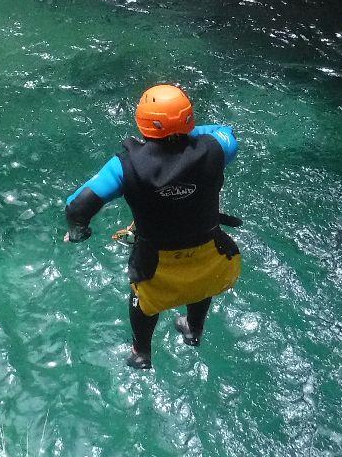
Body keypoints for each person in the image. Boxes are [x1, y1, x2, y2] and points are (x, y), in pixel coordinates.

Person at [64, 85, 241, 370]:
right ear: (189, 119)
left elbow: (77, 207)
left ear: (142, 122)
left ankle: (141, 353)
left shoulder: (126, 166)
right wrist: (181, 132)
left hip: (156, 265)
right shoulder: (216, 148)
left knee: (143, 301)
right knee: (200, 283)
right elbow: (226, 131)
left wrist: (78, 232)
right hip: (211, 255)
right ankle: (193, 330)